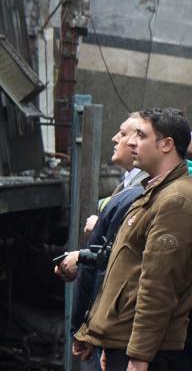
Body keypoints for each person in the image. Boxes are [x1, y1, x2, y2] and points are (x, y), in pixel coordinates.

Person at [73, 107, 192, 371]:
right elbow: (124, 271)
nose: (131, 142)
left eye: (142, 135)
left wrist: (138, 356)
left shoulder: (175, 200)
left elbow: (158, 287)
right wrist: (107, 338)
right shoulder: (151, 193)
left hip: (147, 354)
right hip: (124, 344)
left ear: (166, 145)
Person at [55, 114, 146, 365]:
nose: (116, 139)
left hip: (121, 332)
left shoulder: (146, 193)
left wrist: (93, 332)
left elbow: (125, 267)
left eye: (125, 133)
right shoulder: (128, 186)